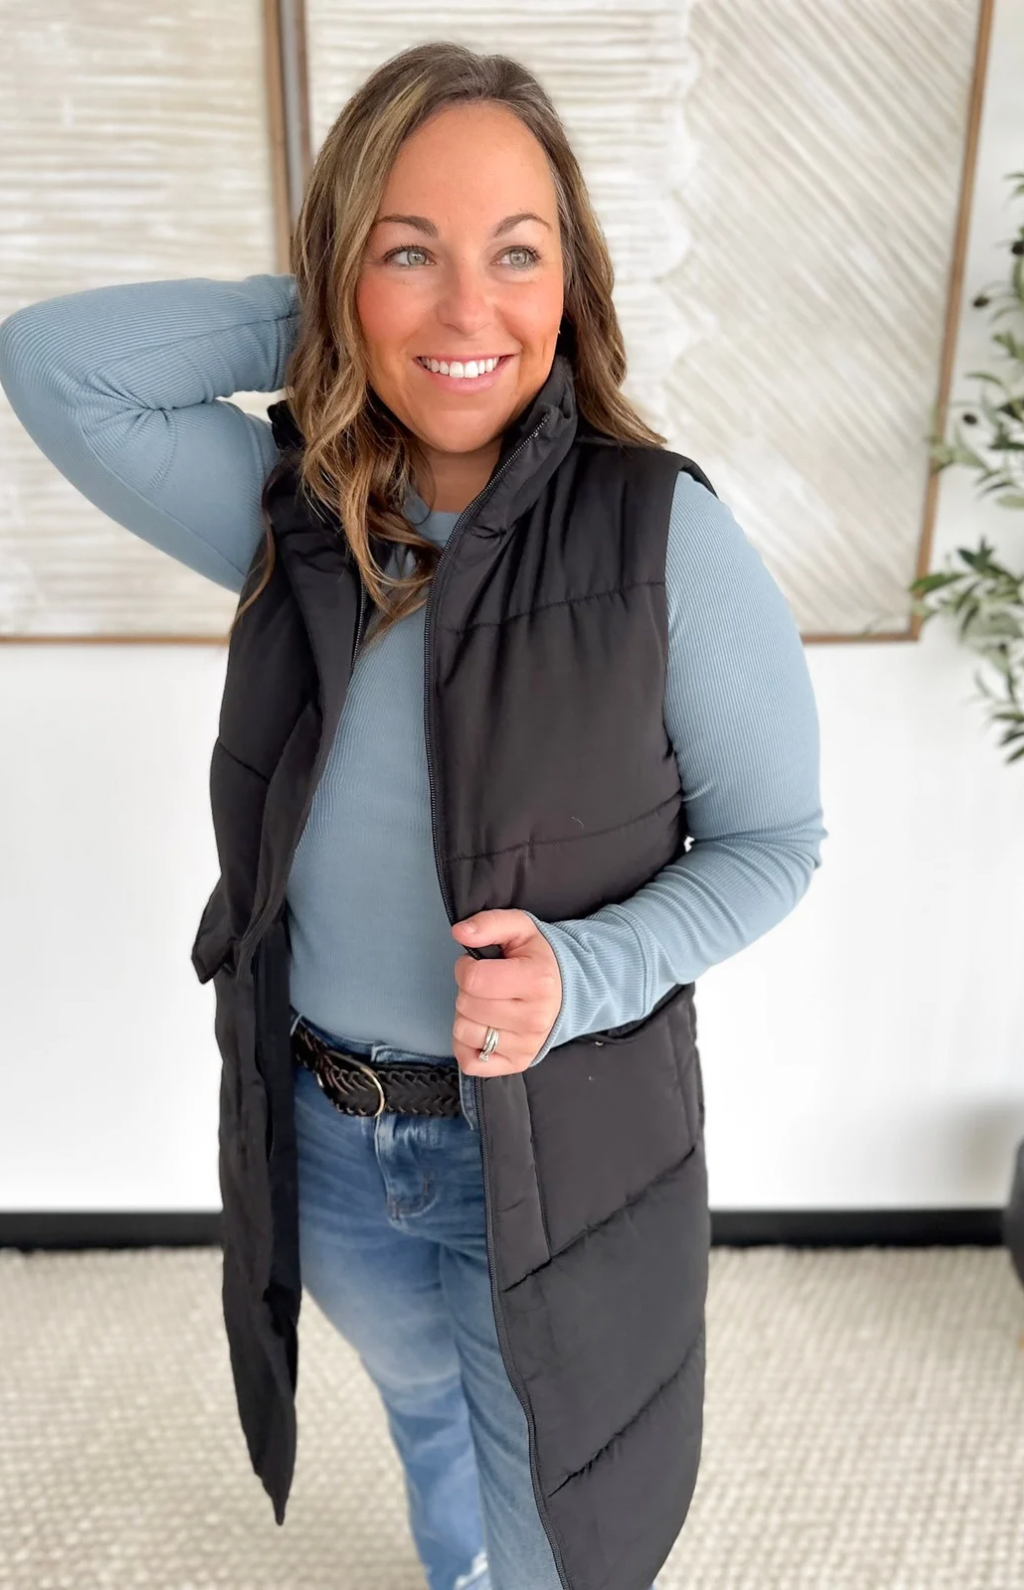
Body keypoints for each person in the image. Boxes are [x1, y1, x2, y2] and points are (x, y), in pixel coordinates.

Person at [0, 40, 827, 1590]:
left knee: (560, 1531)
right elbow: (55, 364)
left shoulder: (663, 537)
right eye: (407, 253)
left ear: (571, 277)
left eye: (516, 254)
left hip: (547, 1153)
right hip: (326, 1136)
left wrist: (582, 970)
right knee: (430, 1420)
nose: (467, 311)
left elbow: (776, 841)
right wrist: (328, 306)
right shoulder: (302, 516)